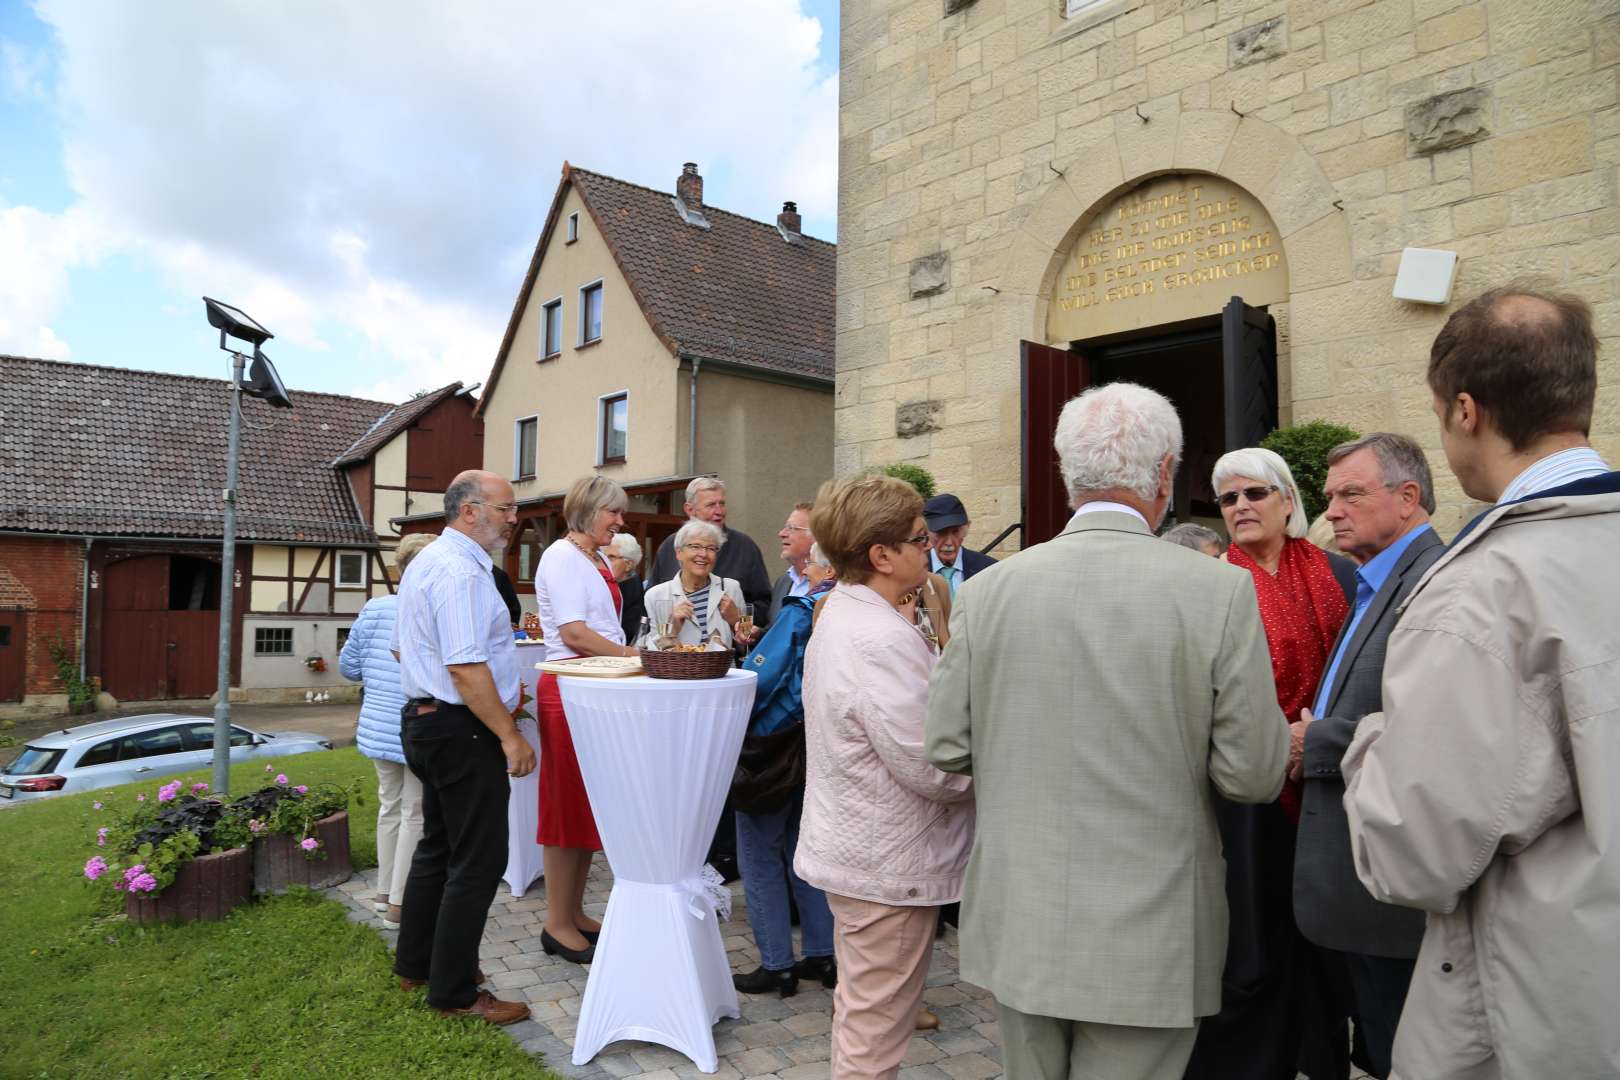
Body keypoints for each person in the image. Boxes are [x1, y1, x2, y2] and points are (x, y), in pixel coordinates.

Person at [928, 383, 1288, 1080]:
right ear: (1163, 474)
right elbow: (1253, 773)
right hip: (1151, 927)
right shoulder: (1216, 590)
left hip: (1023, 911)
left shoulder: (991, 590)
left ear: (1069, 475)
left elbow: (945, 745)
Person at [1344, 288, 1620, 1079]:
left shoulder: (1484, 589)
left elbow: (1412, 852)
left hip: (1536, 1015)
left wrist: (1370, 742)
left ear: (1465, 411)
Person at [796, 475, 975, 1078]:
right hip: (884, 863)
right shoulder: (876, 635)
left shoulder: (847, 614)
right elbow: (933, 766)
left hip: (865, 852)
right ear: (881, 555)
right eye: (920, 540)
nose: (928, 550)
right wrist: (999, 763)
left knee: (863, 1016)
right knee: (873, 1035)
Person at [1185, 446, 1355, 1080]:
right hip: (1245, 792)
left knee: (1322, 930)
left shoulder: (1339, 574)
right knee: (1251, 941)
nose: (1241, 507)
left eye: (1254, 493)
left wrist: (1317, 738)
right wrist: (1266, 741)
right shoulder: (1209, 585)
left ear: (1288, 500)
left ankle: (1323, 1052)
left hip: (1330, 778)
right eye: (1228, 499)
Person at [1289, 434, 1444, 1080]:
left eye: (1351, 494)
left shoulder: (1432, 582)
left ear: (1408, 499)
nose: (1333, 512)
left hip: (1392, 891)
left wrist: (1312, 742)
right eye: (1328, 498)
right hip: (1353, 887)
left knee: (1404, 1053)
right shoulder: (1373, 580)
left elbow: (1429, 726)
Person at [391, 470, 533, 1026]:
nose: (513, 518)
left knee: (441, 848)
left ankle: (417, 964)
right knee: (478, 860)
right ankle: (452, 990)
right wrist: (508, 733)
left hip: (432, 721)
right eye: (505, 508)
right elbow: (467, 668)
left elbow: (410, 652)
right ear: (470, 511)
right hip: (458, 726)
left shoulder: (430, 561)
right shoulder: (459, 572)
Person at [534, 474, 639, 965]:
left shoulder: (591, 557)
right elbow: (575, 634)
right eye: (612, 512)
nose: (620, 521)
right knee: (563, 803)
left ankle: (573, 912)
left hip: (592, 686)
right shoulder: (560, 557)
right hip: (569, 686)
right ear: (586, 511)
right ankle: (556, 921)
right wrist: (629, 655)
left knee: (584, 804)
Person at [730, 527, 837, 1001]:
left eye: (811, 565)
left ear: (827, 570)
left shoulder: (803, 609)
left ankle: (777, 964)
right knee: (804, 853)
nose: (805, 572)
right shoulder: (857, 608)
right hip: (819, 747)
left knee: (759, 854)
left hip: (777, 747)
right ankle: (821, 953)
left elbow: (759, 676)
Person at [339, 532, 435, 930]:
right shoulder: (427, 610)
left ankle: (382, 891)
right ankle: (400, 902)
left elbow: (349, 667)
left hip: (378, 726)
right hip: (415, 725)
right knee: (415, 811)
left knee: (389, 807)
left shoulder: (374, 608)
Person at [648, 476, 772, 619]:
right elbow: (653, 604)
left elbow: (764, 605)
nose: (719, 511)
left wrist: (738, 618)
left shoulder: (745, 547)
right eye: (711, 505)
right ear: (690, 510)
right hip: (677, 639)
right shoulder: (670, 546)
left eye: (722, 504)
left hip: (728, 639)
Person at [643, 520, 752, 650]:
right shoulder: (656, 595)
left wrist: (736, 621)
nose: (703, 554)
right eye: (695, 546)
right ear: (679, 553)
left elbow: (747, 643)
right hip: (676, 670)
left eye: (711, 548)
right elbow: (649, 651)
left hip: (723, 669)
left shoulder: (731, 588)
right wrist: (672, 630)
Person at [921, 492, 995, 600]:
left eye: (956, 531)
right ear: (926, 531)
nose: (949, 542)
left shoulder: (989, 570)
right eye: (941, 532)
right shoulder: (912, 573)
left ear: (967, 528)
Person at [765, 502, 815, 625]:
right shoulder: (783, 582)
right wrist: (758, 634)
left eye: (791, 528)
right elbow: (777, 631)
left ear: (815, 536)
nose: (782, 534)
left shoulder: (829, 584)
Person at [604, 532, 645, 643]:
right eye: (602, 556)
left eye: (611, 557)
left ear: (628, 565)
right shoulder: (606, 587)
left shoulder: (630, 595)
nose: (605, 561)